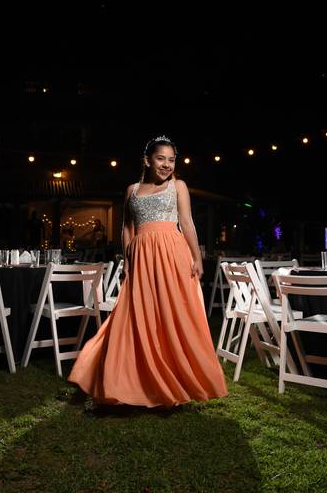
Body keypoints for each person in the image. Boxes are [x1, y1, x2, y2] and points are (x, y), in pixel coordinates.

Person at [68, 135, 227, 408]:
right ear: (147, 160)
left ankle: (178, 379)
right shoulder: (132, 190)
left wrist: (196, 256)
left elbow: (187, 222)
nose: (166, 164)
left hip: (173, 254)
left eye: (171, 160)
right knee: (136, 314)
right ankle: (131, 380)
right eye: (160, 158)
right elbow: (127, 228)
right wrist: (128, 261)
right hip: (141, 257)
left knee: (174, 312)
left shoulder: (178, 186)